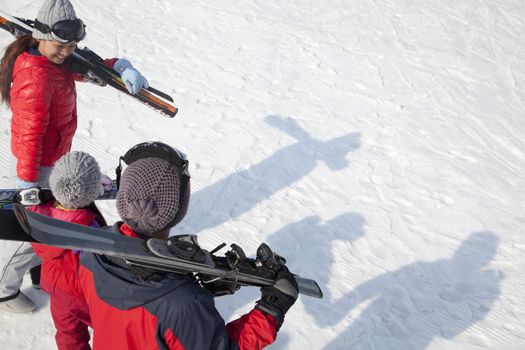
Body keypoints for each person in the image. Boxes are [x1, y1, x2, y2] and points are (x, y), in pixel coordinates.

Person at [0, 0, 148, 313]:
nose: (66, 52)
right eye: (60, 46)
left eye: (71, 46)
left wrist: (121, 67)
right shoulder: (35, 78)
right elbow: (30, 135)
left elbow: (90, 65)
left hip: (54, 158)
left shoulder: (56, 59)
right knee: (37, 229)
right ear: (39, 34)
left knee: (51, 224)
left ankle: (41, 269)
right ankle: (4, 290)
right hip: (38, 165)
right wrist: (27, 182)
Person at [79, 142, 299, 349]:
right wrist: (271, 309)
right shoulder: (184, 304)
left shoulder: (93, 255)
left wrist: (183, 279)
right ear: (177, 208)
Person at [30, 151, 106, 350]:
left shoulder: (40, 213)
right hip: (81, 292)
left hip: (55, 285)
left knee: (68, 332)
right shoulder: (88, 231)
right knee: (106, 328)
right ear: (91, 193)